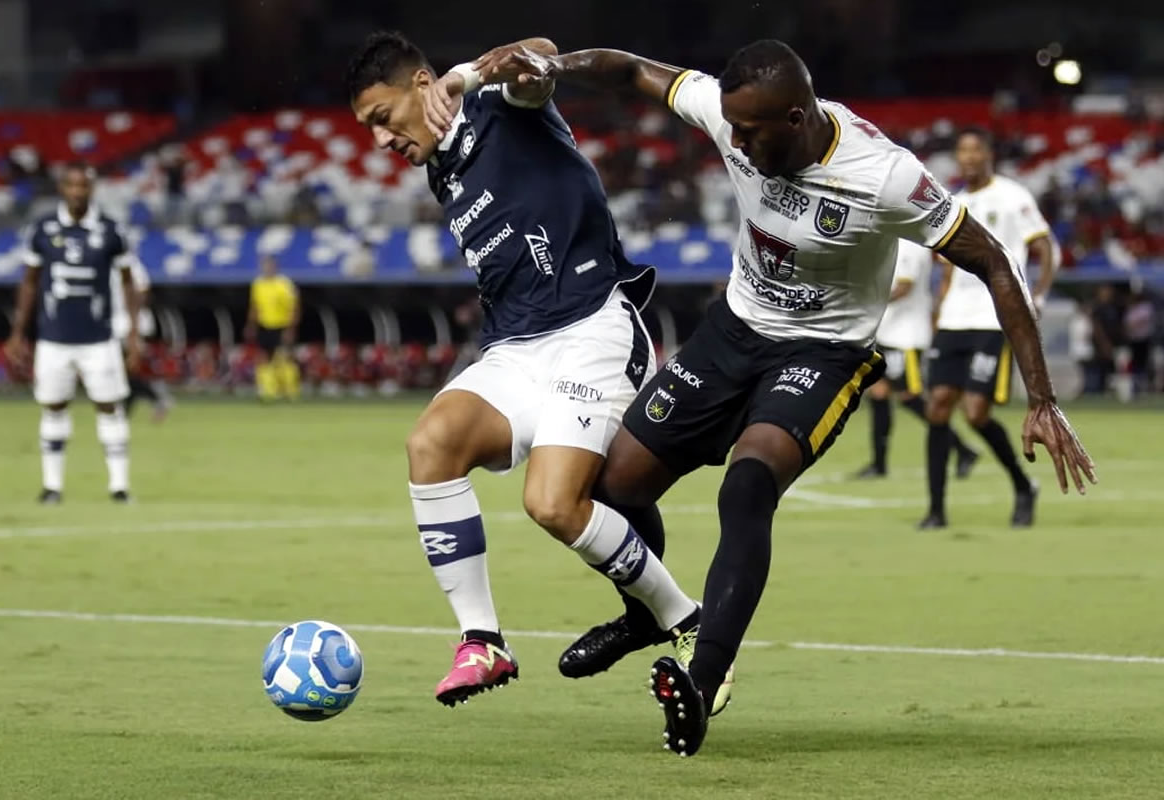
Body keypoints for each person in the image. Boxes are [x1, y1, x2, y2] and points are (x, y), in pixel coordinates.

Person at [470, 38, 1096, 756]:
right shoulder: (733, 113)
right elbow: (629, 68)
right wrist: (555, 68)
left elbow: (992, 260)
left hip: (824, 354)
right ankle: (647, 614)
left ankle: (702, 681)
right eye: (731, 128)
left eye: (752, 133)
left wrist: (1041, 398)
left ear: (797, 118)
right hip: (734, 330)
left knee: (747, 487)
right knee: (612, 487)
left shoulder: (885, 175)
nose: (735, 143)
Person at [347, 32, 713, 710]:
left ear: (421, 84)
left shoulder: (503, 106)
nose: (379, 141)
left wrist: (467, 75)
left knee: (551, 504)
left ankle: (689, 622)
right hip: (516, 350)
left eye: (382, 118)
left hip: (592, 328)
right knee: (430, 445)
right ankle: (482, 641)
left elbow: (535, 61)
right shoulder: (442, 166)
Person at [923, 128, 1060, 528]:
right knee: (937, 407)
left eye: (975, 150)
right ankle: (936, 510)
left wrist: (1039, 294)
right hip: (953, 319)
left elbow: (1046, 245)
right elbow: (947, 270)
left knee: (976, 411)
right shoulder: (955, 204)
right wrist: (938, 311)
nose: (968, 157)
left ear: (989, 154)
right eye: (962, 151)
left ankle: (1022, 485)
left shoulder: (1013, 196)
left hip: (993, 317)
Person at [5, 161, 141, 503]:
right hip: (54, 338)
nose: (77, 192)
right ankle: (52, 487)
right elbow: (30, 282)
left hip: (100, 338)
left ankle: (119, 487)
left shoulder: (111, 231)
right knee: (53, 406)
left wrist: (134, 334)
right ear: (62, 189)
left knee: (110, 406)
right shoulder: (43, 229)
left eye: (83, 186)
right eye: (72, 186)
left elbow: (128, 284)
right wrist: (18, 331)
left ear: (91, 190)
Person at [854, 239, 977, 479]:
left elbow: (904, 286)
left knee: (910, 398)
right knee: (879, 394)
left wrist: (869, 303)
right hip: (887, 331)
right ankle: (879, 464)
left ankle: (962, 449)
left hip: (905, 336)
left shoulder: (910, 246)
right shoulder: (892, 241)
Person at [110, 256, 171, 421]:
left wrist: (133, 316)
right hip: (116, 323)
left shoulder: (131, 264)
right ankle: (128, 407)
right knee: (125, 371)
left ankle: (157, 398)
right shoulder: (105, 263)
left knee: (129, 368)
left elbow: (144, 290)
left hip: (131, 323)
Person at [244, 255, 300, 401]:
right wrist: (251, 325)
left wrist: (290, 329)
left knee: (284, 358)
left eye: (269, 265)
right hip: (264, 325)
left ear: (275, 267)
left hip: (281, 325)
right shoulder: (258, 284)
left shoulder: (284, 284)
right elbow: (255, 306)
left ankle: (290, 392)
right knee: (263, 358)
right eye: (264, 266)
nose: (266, 268)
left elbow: (294, 307)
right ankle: (268, 392)